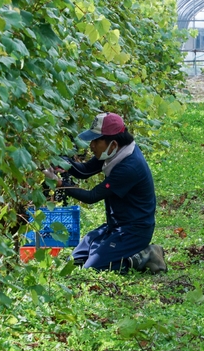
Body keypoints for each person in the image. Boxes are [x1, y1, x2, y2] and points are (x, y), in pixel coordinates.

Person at [43, 112, 167, 273]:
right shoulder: (115, 151)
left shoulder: (129, 167)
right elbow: (85, 171)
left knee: (92, 268)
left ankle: (146, 255)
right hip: (115, 226)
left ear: (113, 144)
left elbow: (91, 196)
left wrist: (59, 183)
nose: (91, 145)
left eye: (96, 141)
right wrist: (63, 163)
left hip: (133, 231)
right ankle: (110, 249)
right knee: (74, 261)